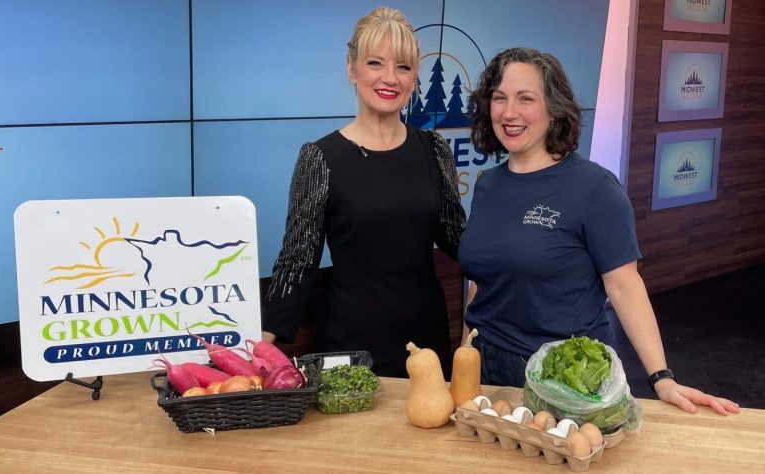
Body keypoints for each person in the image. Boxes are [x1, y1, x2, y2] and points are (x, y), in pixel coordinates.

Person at [458, 47, 738, 415]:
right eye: (500, 99)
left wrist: (661, 377)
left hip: (563, 374)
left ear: (553, 107)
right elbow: (480, 282)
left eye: (526, 99)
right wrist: (464, 358)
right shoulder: (488, 185)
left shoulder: (594, 188)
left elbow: (625, 286)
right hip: (485, 366)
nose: (510, 112)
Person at [261, 7, 466, 378]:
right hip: (349, 344)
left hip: (426, 341)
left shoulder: (434, 149)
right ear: (352, 69)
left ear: (415, 76)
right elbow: (298, 259)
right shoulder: (320, 157)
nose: (390, 78)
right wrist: (262, 341)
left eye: (403, 67)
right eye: (375, 63)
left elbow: (458, 239)